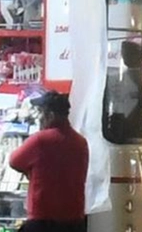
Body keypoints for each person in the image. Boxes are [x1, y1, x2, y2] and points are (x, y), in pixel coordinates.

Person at [9, 91, 90, 232]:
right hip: (75, 221)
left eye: (41, 113)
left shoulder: (40, 140)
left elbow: (14, 160)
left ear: (50, 115)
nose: (39, 118)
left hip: (43, 220)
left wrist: (29, 172)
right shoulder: (81, 142)